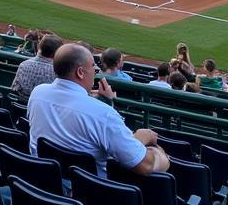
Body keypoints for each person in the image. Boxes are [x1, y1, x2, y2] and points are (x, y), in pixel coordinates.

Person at [27, 43, 170, 177]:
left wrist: (105, 101)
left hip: (41, 183)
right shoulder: (102, 114)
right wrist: (152, 145)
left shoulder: (37, 93)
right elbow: (144, 164)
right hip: (88, 197)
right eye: (93, 68)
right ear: (81, 72)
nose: (95, 73)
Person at [10, 33, 61, 100]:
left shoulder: (24, 64)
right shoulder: (57, 72)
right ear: (57, 53)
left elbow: (14, 89)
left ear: (40, 47)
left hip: (18, 106)